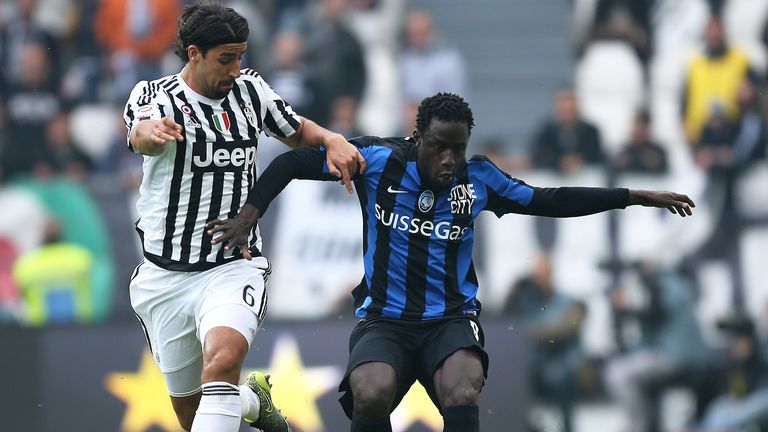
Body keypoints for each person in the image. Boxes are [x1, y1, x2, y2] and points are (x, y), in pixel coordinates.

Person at [206, 93, 695, 432]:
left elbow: (550, 198)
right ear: (418, 137)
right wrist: (250, 215)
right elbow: (293, 162)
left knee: (462, 390)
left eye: (457, 149)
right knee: (370, 393)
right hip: (385, 321)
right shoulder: (376, 160)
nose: (448, 160)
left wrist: (630, 195)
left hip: (452, 321)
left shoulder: (478, 178)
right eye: (439, 147)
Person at [123, 3, 364, 432]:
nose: (236, 68)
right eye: (226, 58)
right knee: (190, 413)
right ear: (194, 53)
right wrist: (151, 134)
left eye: (241, 56)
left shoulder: (251, 90)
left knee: (223, 361)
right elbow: (139, 133)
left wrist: (331, 138)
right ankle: (253, 401)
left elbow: (296, 130)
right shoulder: (155, 96)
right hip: (164, 277)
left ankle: (240, 391)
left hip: (233, 264)